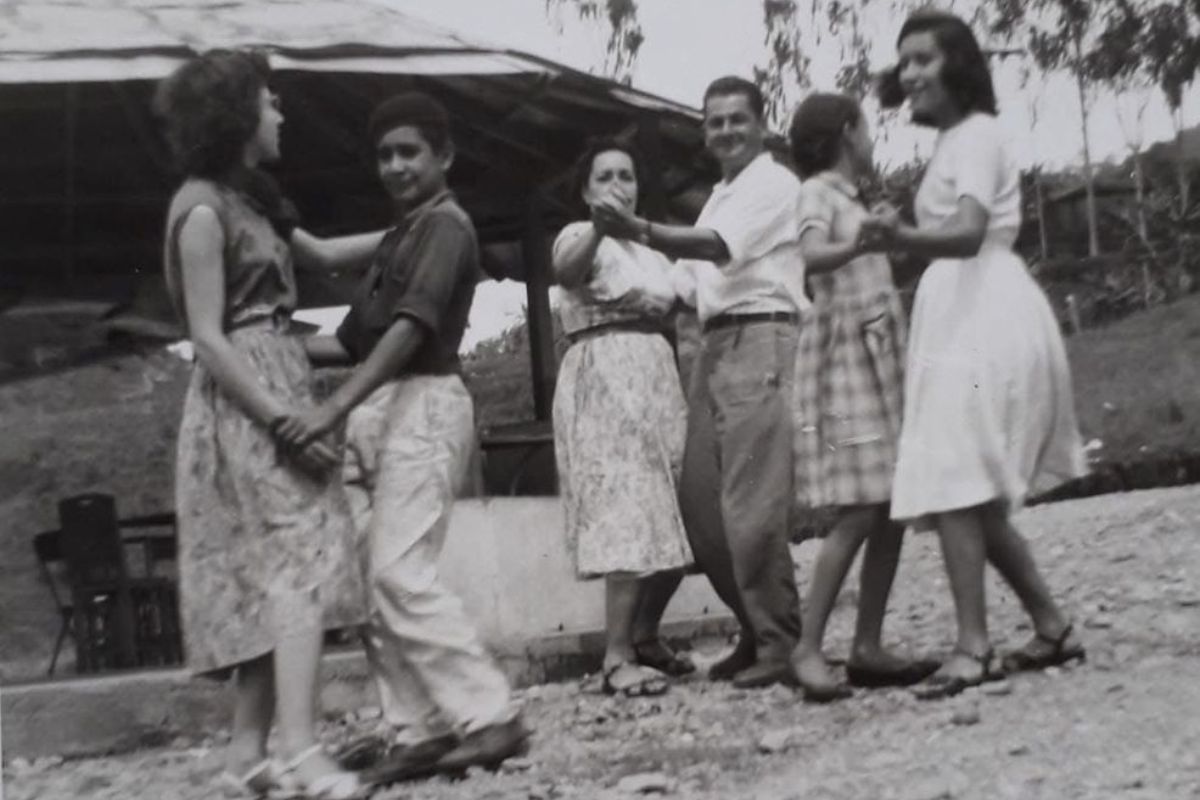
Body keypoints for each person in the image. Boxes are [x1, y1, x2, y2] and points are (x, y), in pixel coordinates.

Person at [276, 91, 528, 783]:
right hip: (379, 407)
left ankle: (491, 714)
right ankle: (416, 729)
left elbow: (411, 331)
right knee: (369, 583)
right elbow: (348, 342)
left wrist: (332, 409)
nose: (395, 166)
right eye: (385, 155)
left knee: (399, 572)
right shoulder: (401, 236)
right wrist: (264, 348)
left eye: (409, 152)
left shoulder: (445, 226)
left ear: (443, 156)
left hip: (425, 400)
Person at [156, 49, 374, 799]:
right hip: (249, 401)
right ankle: (303, 751)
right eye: (269, 101)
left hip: (280, 376)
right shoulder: (201, 209)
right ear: (237, 114)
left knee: (275, 575)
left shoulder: (254, 200)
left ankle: (246, 756)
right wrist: (282, 419)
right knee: (297, 571)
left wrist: (421, 226)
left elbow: (326, 254)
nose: (280, 113)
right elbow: (208, 337)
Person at [870, 9, 1088, 699]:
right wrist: (900, 239)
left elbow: (967, 233)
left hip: (983, 308)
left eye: (924, 59)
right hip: (956, 306)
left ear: (958, 66)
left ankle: (974, 647)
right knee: (966, 483)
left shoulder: (978, 135)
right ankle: (1052, 626)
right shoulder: (954, 140)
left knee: (958, 477)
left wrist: (899, 237)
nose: (910, 74)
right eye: (904, 62)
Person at [593, 76, 807, 689]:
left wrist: (637, 229)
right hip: (713, 344)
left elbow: (713, 247)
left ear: (761, 124)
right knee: (700, 505)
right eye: (715, 122)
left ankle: (782, 641)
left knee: (751, 503)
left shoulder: (773, 184)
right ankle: (757, 630)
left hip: (760, 336)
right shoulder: (721, 193)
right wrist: (602, 278)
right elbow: (679, 284)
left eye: (738, 119)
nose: (726, 131)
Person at [786, 92, 939, 702]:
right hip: (847, 358)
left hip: (877, 354)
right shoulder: (817, 192)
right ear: (848, 132)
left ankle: (867, 645)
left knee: (891, 504)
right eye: (867, 128)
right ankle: (807, 647)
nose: (871, 138)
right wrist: (859, 242)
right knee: (858, 509)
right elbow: (812, 255)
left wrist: (882, 236)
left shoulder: (853, 198)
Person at [552, 138, 696, 698]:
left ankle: (645, 635)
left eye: (626, 176)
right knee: (627, 508)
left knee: (673, 508)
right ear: (587, 190)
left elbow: (688, 294)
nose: (618, 185)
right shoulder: (577, 235)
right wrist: (597, 228)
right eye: (605, 176)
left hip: (656, 374)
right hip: (604, 373)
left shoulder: (650, 251)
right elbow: (566, 272)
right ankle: (615, 657)